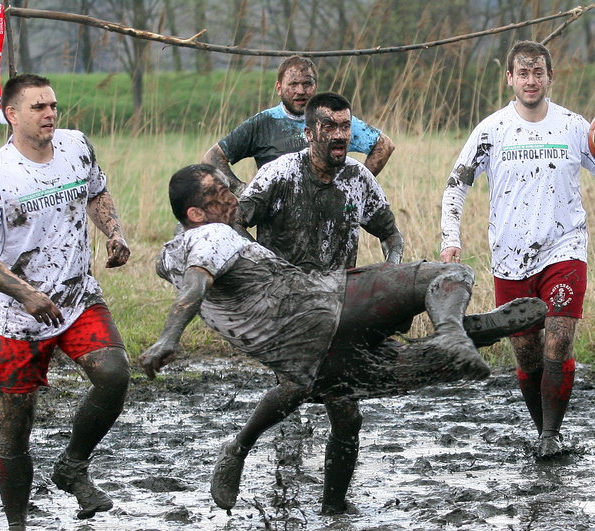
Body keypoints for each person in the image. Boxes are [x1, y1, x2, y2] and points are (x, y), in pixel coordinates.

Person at [140, 164, 547, 515]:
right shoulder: (213, 235)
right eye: (219, 193)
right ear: (196, 213)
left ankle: (320, 499)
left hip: (311, 364)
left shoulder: (175, 250)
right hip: (333, 309)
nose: (232, 197)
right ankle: (457, 332)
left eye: (228, 188)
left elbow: (172, 268)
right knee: (449, 276)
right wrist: (168, 338)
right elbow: (195, 286)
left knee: (360, 405)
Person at [439, 41, 595, 459]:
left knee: (557, 343)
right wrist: (450, 239)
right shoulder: (492, 130)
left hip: (564, 247)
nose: (531, 80)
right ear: (510, 78)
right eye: (523, 73)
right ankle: (542, 426)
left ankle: (550, 436)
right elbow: (458, 183)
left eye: (538, 72)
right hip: (510, 255)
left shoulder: (574, 126)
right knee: (526, 354)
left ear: (549, 76)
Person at [0, 74, 131, 530]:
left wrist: (113, 232)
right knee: (16, 423)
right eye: (37, 107)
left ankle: (72, 466)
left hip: (78, 296)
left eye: (53, 105)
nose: (50, 114)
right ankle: (17, 523)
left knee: (113, 374)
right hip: (20, 316)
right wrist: (26, 293)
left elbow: (95, 192)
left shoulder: (76, 146)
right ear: (11, 114)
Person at [237, 91, 403, 272]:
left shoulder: (358, 177)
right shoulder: (280, 173)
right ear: (309, 134)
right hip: (282, 292)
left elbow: (391, 235)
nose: (339, 135)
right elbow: (234, 222)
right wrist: (264, 263)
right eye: (329, 127)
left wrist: (390, 268)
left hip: (338, 294)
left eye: (345, 127)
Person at [202, 55, 395, 195]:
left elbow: (384, 145)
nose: (300, 91)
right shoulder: (263, 123)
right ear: (279, 88)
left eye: (307, 84)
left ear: (315, 87)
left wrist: (353, 187)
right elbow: (212, 157)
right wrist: (242, 190)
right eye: (293, 84)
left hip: (328, 219)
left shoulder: (334, 119)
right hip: (277, 228)